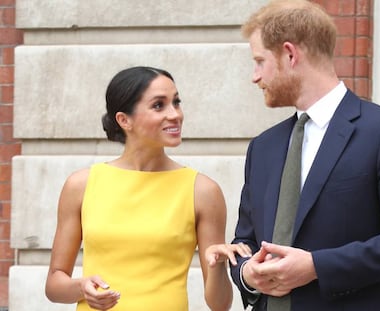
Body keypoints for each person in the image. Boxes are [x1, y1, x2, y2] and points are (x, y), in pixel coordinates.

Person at [230, 1, 380, 310]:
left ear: (290, 55)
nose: (255, 76)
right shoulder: (262, 147)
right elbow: (244, 242)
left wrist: (317, 266)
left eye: (260, 61)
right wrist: (247, 273)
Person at [45, 66, 252, 311]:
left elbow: (220, 305)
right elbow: (54, 284)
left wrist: (217, 266)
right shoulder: (81, 185)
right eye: (158, 105)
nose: (175, 114)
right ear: (124, 120)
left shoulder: (203, 191)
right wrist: (82, 287)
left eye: (176, 102)